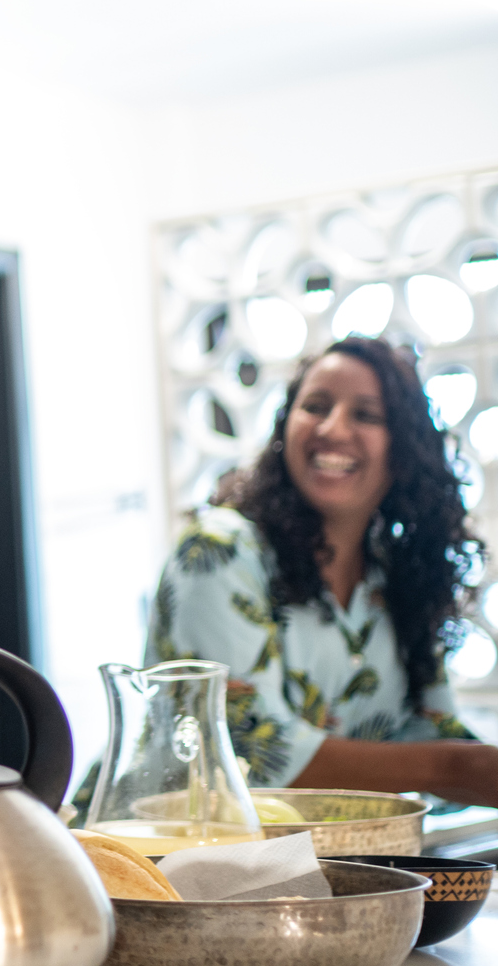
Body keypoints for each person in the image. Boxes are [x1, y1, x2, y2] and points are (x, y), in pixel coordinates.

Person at [147, 335, 494, 804]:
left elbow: (427, 728)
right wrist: (456, 766)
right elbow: (255, 750)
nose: (332, 429)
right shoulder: (219, 551)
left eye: (366, 415)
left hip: (327, 867)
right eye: (315, 406)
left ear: (405, 450)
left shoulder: (392, 572)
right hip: (157, 860)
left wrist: (468, 763)